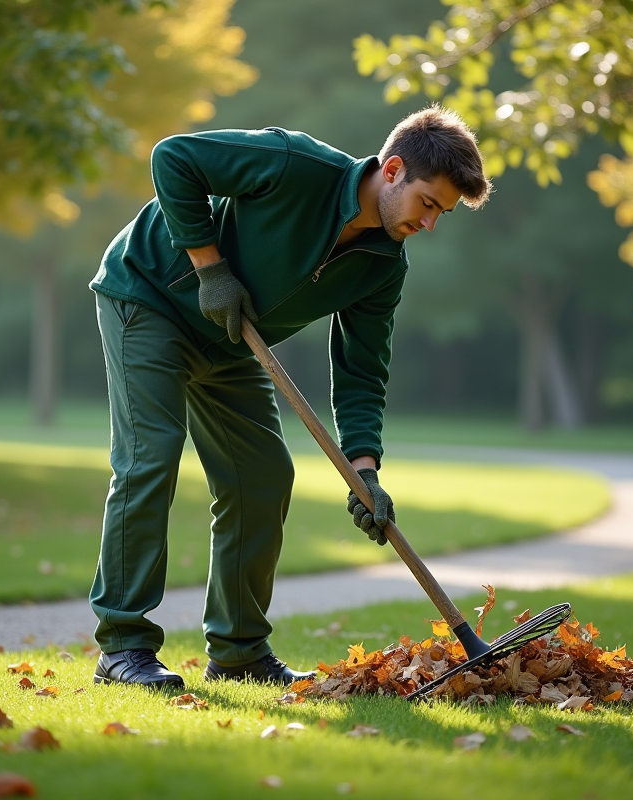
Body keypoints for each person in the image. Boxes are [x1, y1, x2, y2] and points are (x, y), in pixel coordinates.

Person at [88, 105, 491, 689]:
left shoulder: (382, 266)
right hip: (149, 297)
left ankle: (238, 653)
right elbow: (173, 158)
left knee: (263, 476)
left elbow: (361, 370)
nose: (429, 224)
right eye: (428, 204)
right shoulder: (293, 164)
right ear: (394, 170)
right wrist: (210, 269)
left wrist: (365, 472)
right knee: (150, 456)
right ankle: (123, 647)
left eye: (442, 215)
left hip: (231, 337)